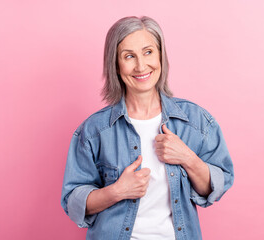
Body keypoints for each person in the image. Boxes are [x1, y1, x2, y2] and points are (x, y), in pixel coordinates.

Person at [61, 16, 234, 240]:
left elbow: (215, 188)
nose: (141, 66)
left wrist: (187, 158)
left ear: (161, 55)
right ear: (115, 64)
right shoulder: (94, 131)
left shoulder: (196, 121)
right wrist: (116, 191)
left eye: (148, 52)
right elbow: (73, 201)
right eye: (129, 56)